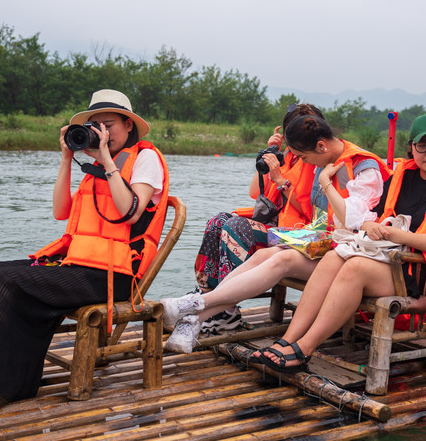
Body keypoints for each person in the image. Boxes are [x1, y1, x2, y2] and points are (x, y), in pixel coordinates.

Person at [0, 89, 168, 420]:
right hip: (79, 265)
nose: (101, 132)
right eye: (94, 125)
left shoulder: (146, 159)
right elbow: (60, 212)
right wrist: (67, 157)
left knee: (7, 280)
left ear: (128, 125)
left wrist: (107, 161)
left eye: (108, 124)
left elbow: (128, 212)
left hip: (115, 276)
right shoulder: (95, 165)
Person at [255, 113, 426, 372]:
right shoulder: (400, 178)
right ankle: (288, 339)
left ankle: (304, 349)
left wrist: (400, 236)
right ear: (411, 147)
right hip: (387, 258)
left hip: (423, 274)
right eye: (422, 145)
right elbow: (369, 216)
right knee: (333, 256)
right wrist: (369, 226)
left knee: (354, 268)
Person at [160, 114, 392, 353]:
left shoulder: (364, 167)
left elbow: (354, 218)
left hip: (350, 253)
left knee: (282, 259)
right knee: (263, 256)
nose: (306, 163)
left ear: (321, 146)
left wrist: (325, 183)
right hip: (326, 244)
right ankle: (194, 318)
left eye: (304, 157)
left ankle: (194, 304)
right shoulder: (325, 161)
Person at [193, 104, 320, 333]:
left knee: (237, 227)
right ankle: (207, 293)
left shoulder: (315, 161)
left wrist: (281, 180)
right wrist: (270, 152)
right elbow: (255, 192)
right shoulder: (287, 157)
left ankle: (226, 309)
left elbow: (312, 211)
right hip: (275, 225)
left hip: (300, 231)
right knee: (218, 221)